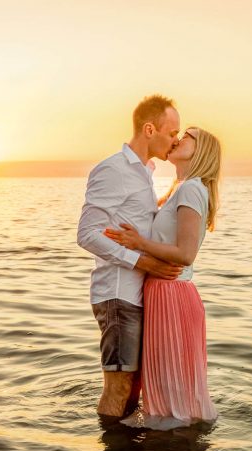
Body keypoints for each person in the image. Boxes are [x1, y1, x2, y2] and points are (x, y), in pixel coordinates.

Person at [104, 126, 221, 430]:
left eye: (188, 136)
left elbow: (185, 253)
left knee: (173, 385)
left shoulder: (192, 188)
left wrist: (138, 244)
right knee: (167, 383)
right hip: (161, 292)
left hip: (172, 294)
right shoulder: (178, 188)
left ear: (201, 149)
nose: (178, 138)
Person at [77, 95, 183, 418]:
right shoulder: (114, 170)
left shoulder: (144, 174)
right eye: (172, 132)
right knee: (119, 387)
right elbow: (87, 234)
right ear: (150, 129)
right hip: (117, 295)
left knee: (134, 387)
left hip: (136, 296)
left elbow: (140, 223)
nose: (175, 141)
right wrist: (142, 262)